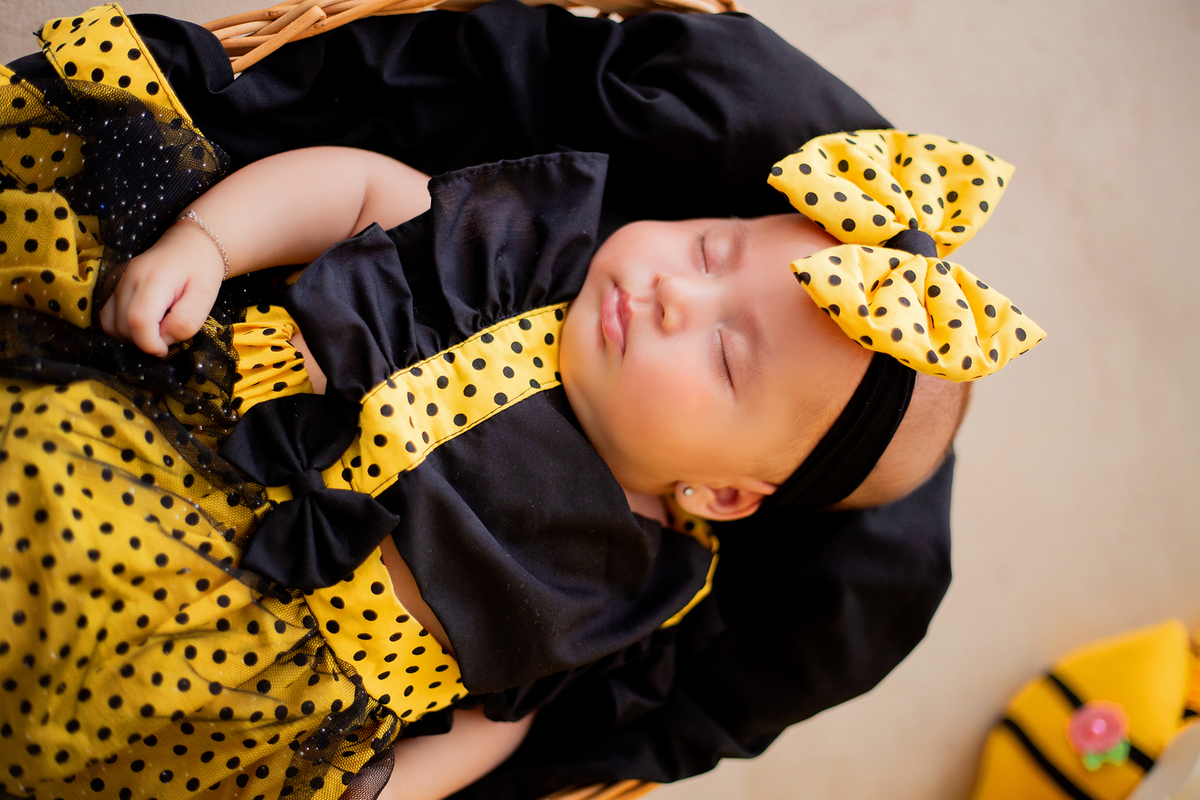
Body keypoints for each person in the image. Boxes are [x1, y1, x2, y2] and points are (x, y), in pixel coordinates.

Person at [0, 4, 1041, 800]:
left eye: (727, 356)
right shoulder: (528, 255)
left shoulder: (638, 580)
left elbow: (503, 717)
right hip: (165, 457)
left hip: (237, 696)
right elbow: (358, 188)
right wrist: (209, 244)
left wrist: (394, 788)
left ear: (721, 493)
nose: (679, 290)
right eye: (711, 246)